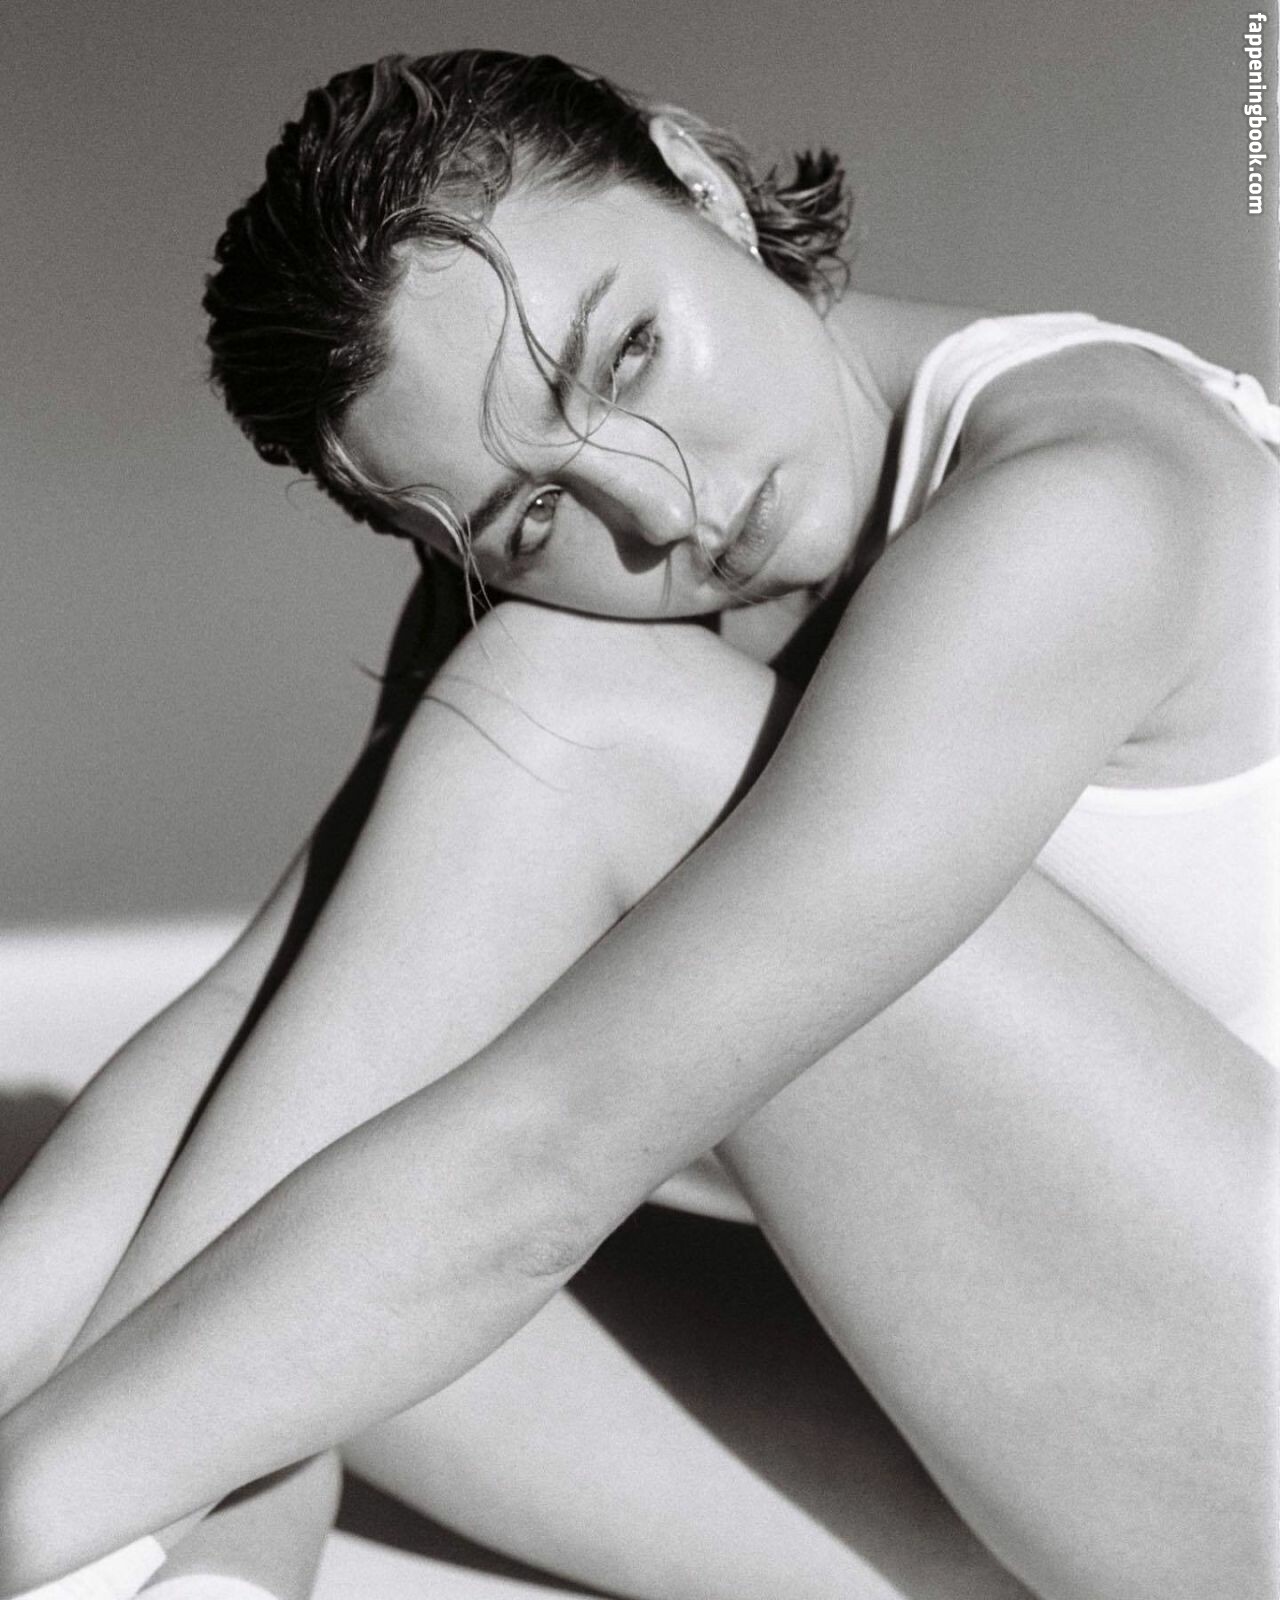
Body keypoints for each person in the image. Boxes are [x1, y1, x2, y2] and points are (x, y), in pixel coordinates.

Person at [1, 47, 1276, 1600]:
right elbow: (249, 1042)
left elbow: (548, 1159)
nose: (659, 507)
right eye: (530, 513)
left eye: (627, 357)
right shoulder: (567, 606)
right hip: (1078, 1456)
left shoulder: (1078, 501)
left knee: (564, 751)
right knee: (279, 1281)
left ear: (701, 181)